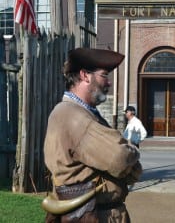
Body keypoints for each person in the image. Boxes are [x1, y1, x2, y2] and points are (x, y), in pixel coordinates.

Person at [43, 48, 142, 223]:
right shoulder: (73, 115)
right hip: (95, 216)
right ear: (85, 75)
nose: (109, 83)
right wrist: (133, 151)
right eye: (104, 75)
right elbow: (119, 157)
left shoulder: (82, 113)